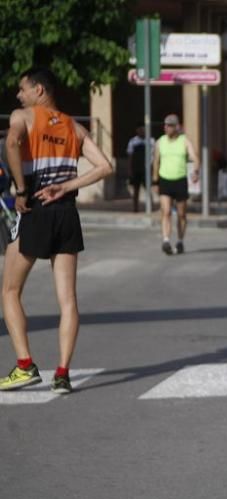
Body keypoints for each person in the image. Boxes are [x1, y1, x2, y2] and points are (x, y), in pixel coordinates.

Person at [0, 67, 112, 394]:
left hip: (36, 209)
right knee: (68, 300)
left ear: (38, 90)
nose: (18, 95)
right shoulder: (74, 127)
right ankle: (62, 374)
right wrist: (68, 185)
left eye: (22, 89)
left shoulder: (24, 116)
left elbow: (11, 142)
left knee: (9, 291)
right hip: (66, 213)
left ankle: (25, 366)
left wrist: (21, 189)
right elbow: (106, 166)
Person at [153, 113, 199, 255]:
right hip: (165, 179)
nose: (166, 127)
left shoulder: (184, 141)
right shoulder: (160, 141)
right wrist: (155, 181)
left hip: (180, 180)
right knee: (165, 211)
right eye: (165, 125)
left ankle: (180, 241)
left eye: (170, 125)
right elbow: (156, 162)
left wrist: (196, 171)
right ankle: (166, 240)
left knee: (181, 214)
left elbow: (195, 158)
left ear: (176, 127)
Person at [126, 126, 152, 212]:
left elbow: (153, 156)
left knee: (148, 189)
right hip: (136, 169)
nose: (141, 131)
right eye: (139, 129)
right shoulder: (133, 141)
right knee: (136, 190)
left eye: (143, 129)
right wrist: (130, 170)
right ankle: (135, 208)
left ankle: (150, 207)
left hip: (146, 169)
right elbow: (130, 156)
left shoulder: (150, 141)